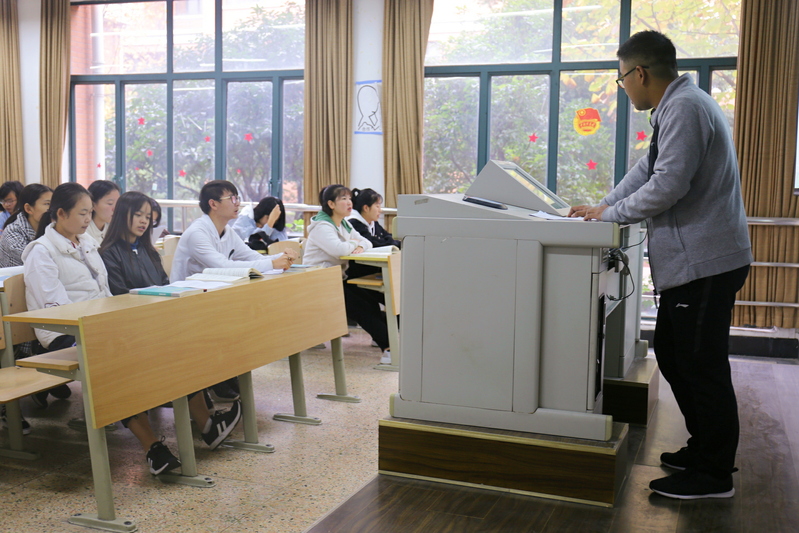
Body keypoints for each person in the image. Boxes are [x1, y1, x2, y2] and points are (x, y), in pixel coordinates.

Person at [568, 31, 752, 500]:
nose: (623, 87)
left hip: (705, 262)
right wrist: (603, 207)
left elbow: (668, 185)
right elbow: (647, 170)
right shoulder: (676, 106)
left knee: (701, 365)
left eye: (621, 79)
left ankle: (714, 473)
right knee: (672, 352)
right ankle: (704, 448)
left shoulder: (685, 107)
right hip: (698, 262)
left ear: (640, 73)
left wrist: (610, 215)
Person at [22, 184, 241, 475]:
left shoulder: (86, 243)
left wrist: (115, 323)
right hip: (65, 333)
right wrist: (107, 327)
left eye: (89, 213)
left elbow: (104, 294)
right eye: (82, 213)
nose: (88, 219)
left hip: (100, 325)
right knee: (121, 358)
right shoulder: (41, 252)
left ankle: (208, 425)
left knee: (174, 343)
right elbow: (55, 310)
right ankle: (153, 446)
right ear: (61, 214)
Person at [170, 180, 297, 401]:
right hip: (188, 302)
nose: (238, 203)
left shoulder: (227, 231)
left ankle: (227, 374)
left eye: (237, 198)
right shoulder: (197, 233)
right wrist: (272, 263)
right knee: (234, 322)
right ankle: (217, 379)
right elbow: (221, 266)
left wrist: (283, 256)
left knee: (246, 320)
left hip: (215, 297)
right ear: (213, 204)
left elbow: (251, 257)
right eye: (232, 198)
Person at [304, 185, 390, 364]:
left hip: (336, 279)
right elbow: (339, 250)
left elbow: (367, 242)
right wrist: (354, 243)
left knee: (369, 299)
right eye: (343, 199)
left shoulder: (343, 224)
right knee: (359, 306)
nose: (349, 202)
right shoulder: (321, 226)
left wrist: (357, 244)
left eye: (349, 198)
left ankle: (388, 345)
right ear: (331, 204)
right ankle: (389, 348)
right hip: (318, 281)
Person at [0, 184, 52, 267]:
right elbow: (40, 261)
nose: (52, 209)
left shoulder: (51, 227)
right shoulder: (12, 233)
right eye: (47, 204)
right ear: (28, 209)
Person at [85, 180, 121, 245]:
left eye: (118, 203)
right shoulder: (83, 230)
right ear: (93, 204)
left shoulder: (113, 229)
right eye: (110, 203)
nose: (115, 209)